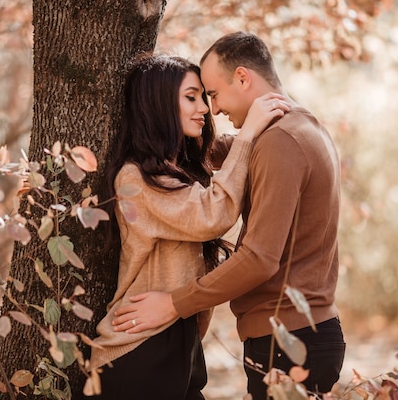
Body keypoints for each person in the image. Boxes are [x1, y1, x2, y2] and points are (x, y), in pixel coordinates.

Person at [112, 32, 346, 399]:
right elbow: (216, 157)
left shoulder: (279, 141)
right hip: (288, 334)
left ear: (242, 77)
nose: (213, 109)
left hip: (289, 337)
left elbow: (257, 259)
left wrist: (175, 302)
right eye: (196, 98)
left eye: (213, 94)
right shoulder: (296, 128)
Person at [88, 54, 290, 400]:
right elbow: (213, 214)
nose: (205, 109)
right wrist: (248, 133)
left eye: (204, 97)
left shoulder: (174, 173)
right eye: (191, 97)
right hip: (138, 348)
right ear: (159, 104)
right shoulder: (135, 178)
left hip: (176, 343)